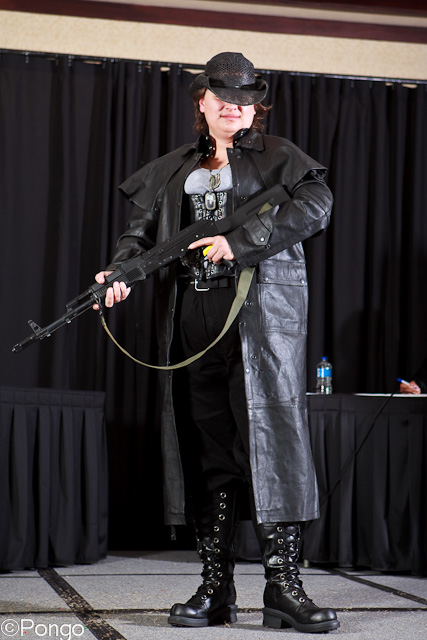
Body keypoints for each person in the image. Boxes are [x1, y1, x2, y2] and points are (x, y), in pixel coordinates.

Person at [95, 52, 339, 633]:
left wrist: (243, 240)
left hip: (262, 321)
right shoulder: (173, 169)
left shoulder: (281, 156)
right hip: (193, 320)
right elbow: (139, 236)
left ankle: (283, 588)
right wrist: (119, 273)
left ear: (257, 107)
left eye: (245, 99)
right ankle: (215, 587)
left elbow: (316, 206)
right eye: (223, 97)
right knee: (209, 453)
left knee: (274, 446)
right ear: (201, 101)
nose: (235, 106)